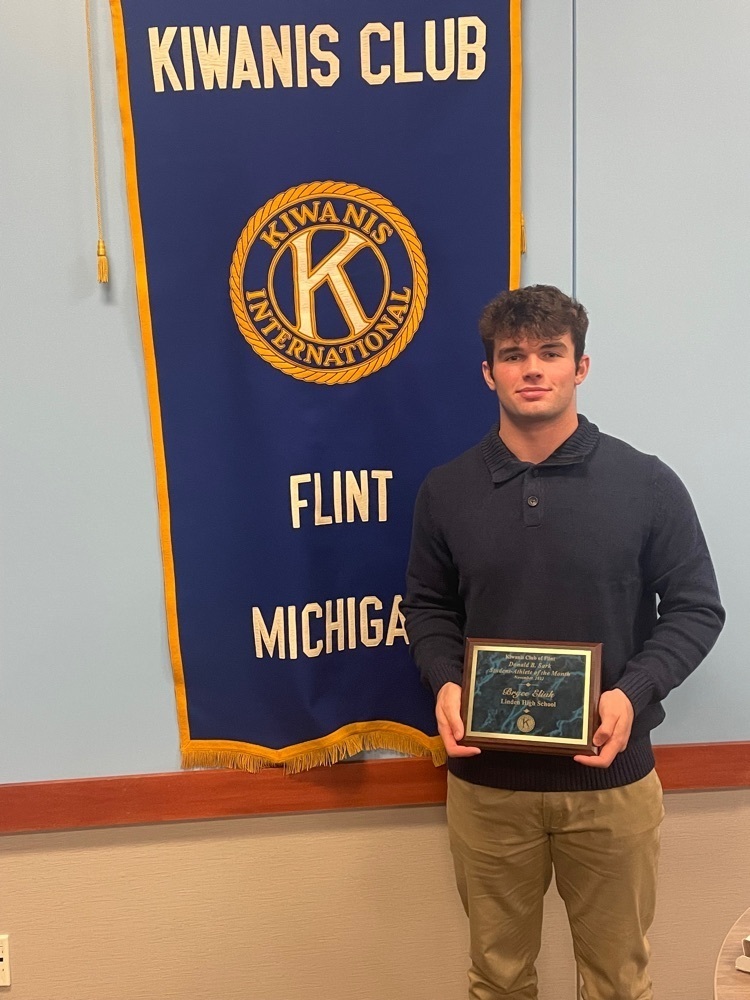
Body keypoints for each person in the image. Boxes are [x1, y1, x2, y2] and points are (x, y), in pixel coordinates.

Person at [402, 284, 725, 1000]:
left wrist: (632, 695)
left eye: (551, 352)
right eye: (513, 356)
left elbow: (697, 610)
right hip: (487, 787)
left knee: (617, 982)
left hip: (612, 784)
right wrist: (446, 682)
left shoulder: (646, 483)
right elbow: (425, 607)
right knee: (498, 980)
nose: (532, 368)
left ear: (581, 367)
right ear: (489, 373)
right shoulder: (446, 491)